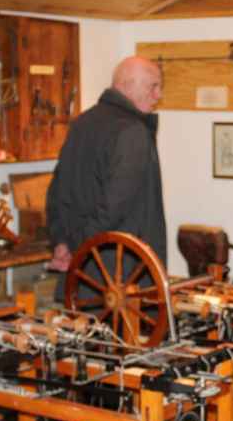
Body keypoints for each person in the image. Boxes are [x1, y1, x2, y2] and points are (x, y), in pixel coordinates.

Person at [46, 56, 167, 279]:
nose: (158, 95)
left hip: (84, 271)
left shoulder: (82, 123)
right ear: (127, 86)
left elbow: (56, 193)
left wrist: (63, 243)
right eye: (153, 86)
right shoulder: (133, 132)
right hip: (121, 274)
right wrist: (78, 246)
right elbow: (114, 208)